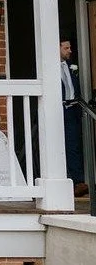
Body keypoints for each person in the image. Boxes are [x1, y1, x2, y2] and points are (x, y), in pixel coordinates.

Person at [60, 39, 87, 197]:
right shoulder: (49, 67)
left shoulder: (71, 66)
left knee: (73, 146)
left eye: (69, 47)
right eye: (66, 48)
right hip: (58, 110)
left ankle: (78, 182)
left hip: (72, 111)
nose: (70, 50)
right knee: (58, 146)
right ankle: (64, 180)